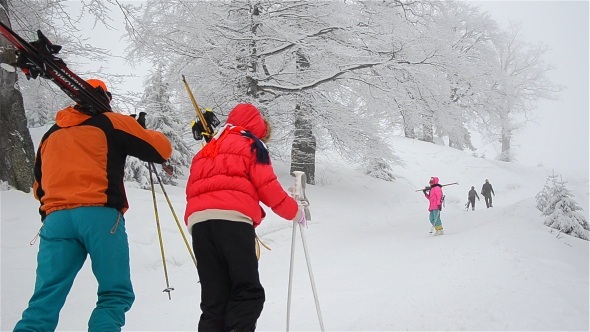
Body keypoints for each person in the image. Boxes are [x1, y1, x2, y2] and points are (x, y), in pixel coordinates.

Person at [14, 79, 173, 332]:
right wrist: (138, 128)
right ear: (104, 98)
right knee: (114, 293)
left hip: (56, 221)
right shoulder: (110, 121)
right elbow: (160, 150)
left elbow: (38, 187)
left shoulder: (51, 134)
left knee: (45, 299)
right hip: (99, 215)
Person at [184, 103, 303, 332]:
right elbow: (268, 187)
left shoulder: (206, 151)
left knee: (214, 300)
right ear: (257, 128)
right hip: (232, 223)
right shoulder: (251, 144)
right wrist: (295, 211)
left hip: (199, 226)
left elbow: (192, 191)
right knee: (248, 292)